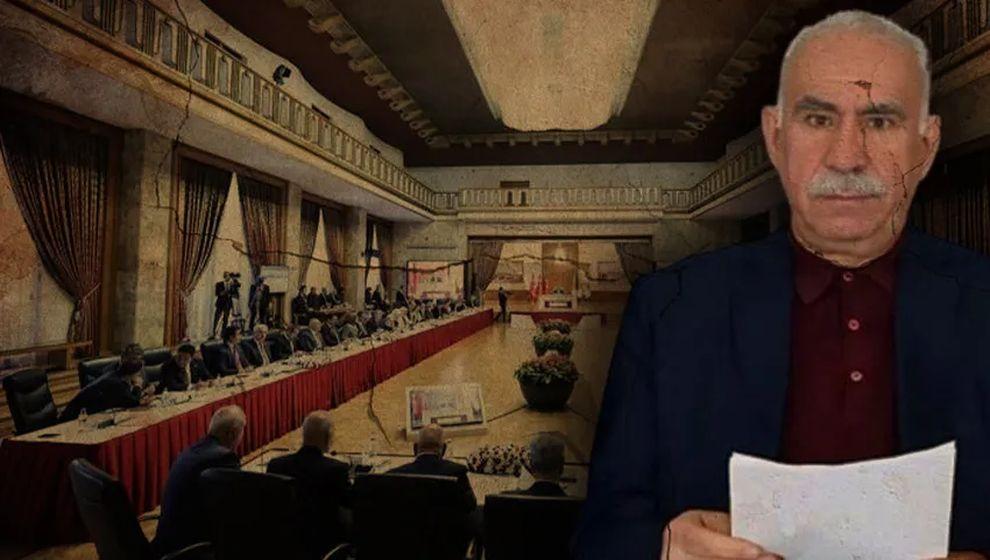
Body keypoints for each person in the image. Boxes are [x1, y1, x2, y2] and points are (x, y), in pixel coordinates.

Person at [574, 11, 990, 560]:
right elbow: (601, 534)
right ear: (776, 137)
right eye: (817, 119)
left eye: (881, 120)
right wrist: (664, 547)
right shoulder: (671, 310)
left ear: (927, 144)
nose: (847, 157)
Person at [153, 406, 246, 556]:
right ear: (232, 434)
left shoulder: (190, 451)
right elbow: (235, 505)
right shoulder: (223, 458)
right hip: (187, 550)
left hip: (165, 543)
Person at [267, 411, 351, 558]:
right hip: (323, 549)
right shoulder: (337, 470)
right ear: (328, 438)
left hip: (284, 548)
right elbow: (350, 509)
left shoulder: (275, 466)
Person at [388, 423, 476, 513]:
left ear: (415, 448)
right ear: (444, 449)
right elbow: (471, 506)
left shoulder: (392, 476)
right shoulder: (457, 472)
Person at [60, 343, 154, 421]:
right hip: (72, 420)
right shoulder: (116, 382)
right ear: (135, 373)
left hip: (89, 416)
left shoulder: (118, 374)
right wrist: (137, 386)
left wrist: (142, 391)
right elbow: (133, 402)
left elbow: (129, 399)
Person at [213, 272, 234, 338]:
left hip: (228, 304)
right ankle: (214, 333)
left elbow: (234, 294)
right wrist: (225, 291)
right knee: (217, 318)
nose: (228, 277)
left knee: (226, 319)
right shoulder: (219, 284)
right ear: (224, 276)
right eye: (226, 276)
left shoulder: (232, 285)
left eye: (228, 276)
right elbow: (217, 293)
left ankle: (223, 334)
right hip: (220, 304)